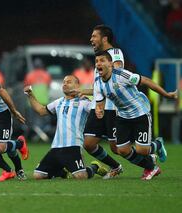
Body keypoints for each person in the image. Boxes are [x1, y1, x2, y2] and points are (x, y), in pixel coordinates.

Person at [94, 51, 176, 180]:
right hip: (122, 117)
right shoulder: (98, 83)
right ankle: (151, 167)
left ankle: (158, 145)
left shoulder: (122, 75)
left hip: (140, 113)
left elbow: (146, 81)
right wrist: (99, 111)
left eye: (102, 60)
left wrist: (166, 94)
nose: (98, 63)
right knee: (122, 150)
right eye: (96, 61)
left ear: (110, 64)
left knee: (142, 150)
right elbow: (100, 105)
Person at [25, 75, 108, 180]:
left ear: (77, 85)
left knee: (80, 177)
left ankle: (95, 167)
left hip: (73, 147)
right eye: (64, 82)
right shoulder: (58, 102)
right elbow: (41, 110)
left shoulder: (85, 102)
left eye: (69, 82)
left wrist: (88, 93)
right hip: (56, 147)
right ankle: (63, 172)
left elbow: (99, 109)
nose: (65, 84)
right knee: (38, 176)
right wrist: (30, 94)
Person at [80, 25, 125, 179]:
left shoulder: (115, 53)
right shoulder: (100, 59)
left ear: (104, 38)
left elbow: (117, 73)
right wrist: (80, 91)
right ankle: (115, 166)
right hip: (98, 106)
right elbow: (98, 87)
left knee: (117, 148)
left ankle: (152, 150)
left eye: (94, 36)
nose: (91, 39)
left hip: (112, 107)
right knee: (89, 143)